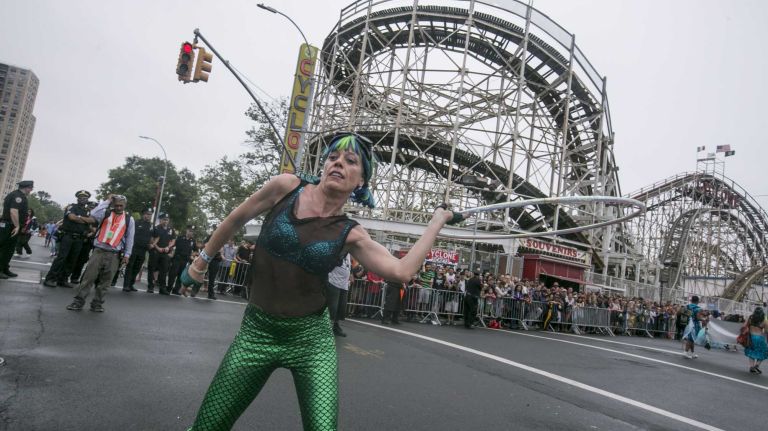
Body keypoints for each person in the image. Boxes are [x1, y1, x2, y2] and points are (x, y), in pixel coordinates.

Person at [181, 133, 460, 430]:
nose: (338, 163)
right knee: (207, 427)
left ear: (361, 181)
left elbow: (401, 271)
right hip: (256, 333)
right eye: (333, 157)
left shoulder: (351, 232)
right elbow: (236, 219)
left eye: (350, 161)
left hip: (311, 342)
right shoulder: (286, 187)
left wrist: (435, 224)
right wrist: (200, 263)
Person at [66, 195, 134, 312]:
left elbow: (130, 238)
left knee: (106, 282)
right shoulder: (105, 213)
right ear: (113, 204)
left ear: (125, 205)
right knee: (89, 278)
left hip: (114, 254)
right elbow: (93, 213)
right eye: (116, 205)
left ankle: (97, 303)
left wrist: (127, 255)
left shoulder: (129, 219)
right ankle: (78, 301)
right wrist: (107, 201)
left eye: (121, 205)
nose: (118, 207)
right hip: (99, 251)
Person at [43, 190, 95, 288]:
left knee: (72, 260)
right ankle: (50, 278)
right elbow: (72, 217)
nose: (83, 199)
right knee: (61, 258)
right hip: (68, 236)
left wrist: (79, 218)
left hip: (79, 238)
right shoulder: (72, 207)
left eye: (85, 198)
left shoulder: (87, 211)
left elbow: (92, 220)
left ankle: (63, 279)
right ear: (78, 198)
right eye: (81, 197)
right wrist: (85, 220)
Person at [0, 180, 33, 278]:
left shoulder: (17, 195)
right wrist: (17, 226)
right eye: (30, 188)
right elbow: (13, 211)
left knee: (10, 249)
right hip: (10, 225)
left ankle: (4, 268)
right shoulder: (18, 196)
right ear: (26, 187)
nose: (31, 190)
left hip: (11, 225)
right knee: (5, 248)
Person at [123, 208, 153, 292]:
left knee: (137, 267)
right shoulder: (136, 222)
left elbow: (151, 237)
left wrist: (151, 244)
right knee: (130, 267)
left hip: (143, 250)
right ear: (143, 214)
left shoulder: (151, 225)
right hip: (134, 248)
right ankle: (126, 285)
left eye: (150, 214)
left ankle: (131, 284)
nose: (148, 216)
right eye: (147, 214)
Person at [148, 213, 175, 295]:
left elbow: (173, 240)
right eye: (164, 219)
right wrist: (157, 248)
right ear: (160, 220)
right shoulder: (156, 228)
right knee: (152, 269)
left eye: (167, 220)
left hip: (165, 252)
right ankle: (150, 286)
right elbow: (152, 240)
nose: (165, 221)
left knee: (164, 271)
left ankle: (162, 288)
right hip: (156, 251)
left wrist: (168, 247)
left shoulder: (171, 230)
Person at [326, 254, 352, 337]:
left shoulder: (348, 253)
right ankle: (327, 328)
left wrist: (350, 274)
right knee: (333, 307)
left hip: (344, 283)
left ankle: (336, 326)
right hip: (333, 281)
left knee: (341, 307)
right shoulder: (338, 248)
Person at [169, 225, 196, 295]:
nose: (191, 233)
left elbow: (196, 250)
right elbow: (173, 245)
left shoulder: (193, 241)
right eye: (190, 231)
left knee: (180, 276)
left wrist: (192, 255)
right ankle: (168, 288)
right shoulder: (180, 237)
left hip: (185, 260)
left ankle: (176, 290)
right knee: (173, 274)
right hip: (177, 258)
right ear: (187, 230)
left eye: (192, 232)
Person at [744, 307, 767, 374]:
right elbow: (766, 330)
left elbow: (744, 325)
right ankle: (756, 365)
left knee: (751, 352)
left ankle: (751, 367)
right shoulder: (764, 320)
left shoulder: (750, 318)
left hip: (751, 337)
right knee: (764, 352)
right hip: (760, 338)